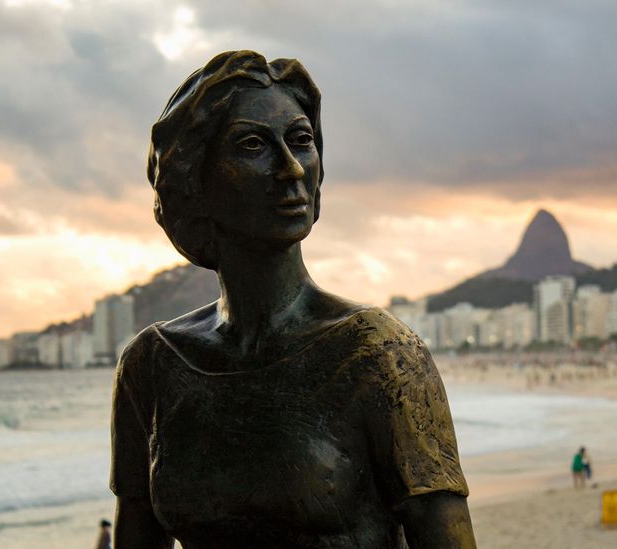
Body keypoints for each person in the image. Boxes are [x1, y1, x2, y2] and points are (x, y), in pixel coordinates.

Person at [111, 51, 476, 548]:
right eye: (253, 145)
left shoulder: (381, 355)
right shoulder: (152, 365)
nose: (290, 169)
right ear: (196, 179)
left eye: (301, 141)